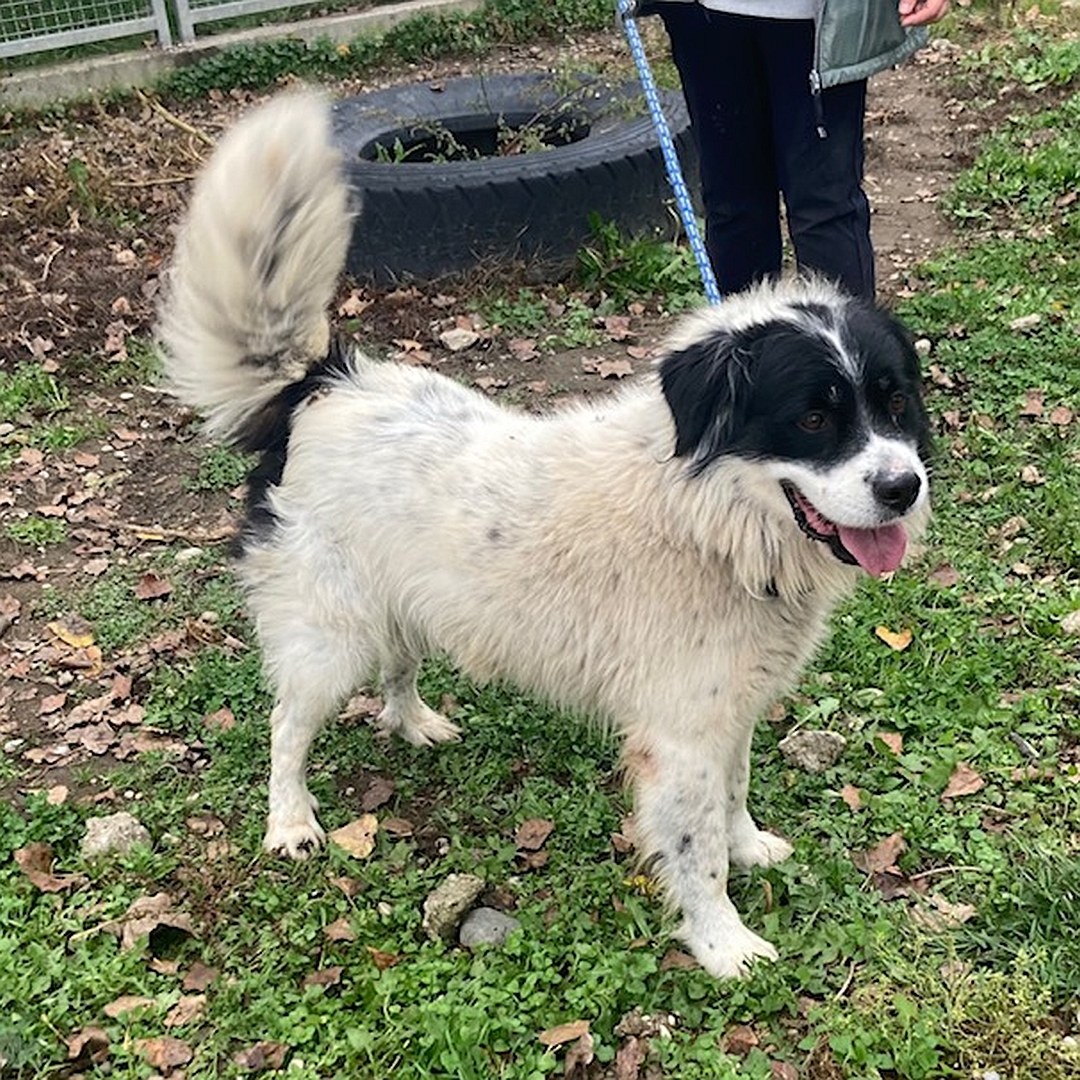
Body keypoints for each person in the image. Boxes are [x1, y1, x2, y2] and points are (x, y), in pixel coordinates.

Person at [634, 0, 951, 299]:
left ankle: (846, 353)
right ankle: (744, 354)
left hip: (818, 21)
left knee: (824, 207)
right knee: (733, 207)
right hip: (701, 15)